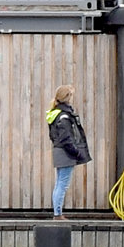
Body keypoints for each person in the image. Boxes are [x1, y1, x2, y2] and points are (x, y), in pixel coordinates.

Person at [45, 84, 92, 220]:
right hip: (66, 153)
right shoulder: (64, 116)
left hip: (58, 151)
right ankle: (57, 214)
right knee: (62, 184)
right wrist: (76, 151)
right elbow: (67, 137)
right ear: (67, 97)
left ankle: (57, 212)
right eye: (70, 95)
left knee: (59, 183)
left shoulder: (55, 114)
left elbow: (54, 136)